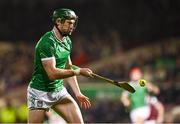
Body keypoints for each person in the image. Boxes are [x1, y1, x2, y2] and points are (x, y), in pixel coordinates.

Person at [27, 8, 93, 123]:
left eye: (73, 23)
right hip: (39, 92)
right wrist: (79, 71)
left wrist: (78, 93)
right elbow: (52, 74)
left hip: (58, 91)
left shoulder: (67, 41)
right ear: (58, 22)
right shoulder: (47, 43)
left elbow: (69, 67)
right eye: (69, 23)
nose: (72, 26)